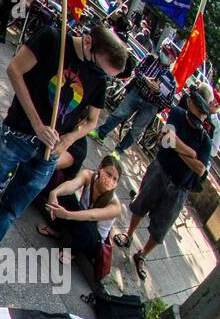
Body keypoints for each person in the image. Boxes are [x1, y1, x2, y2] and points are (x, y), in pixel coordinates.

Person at [0, 24, 125, 291]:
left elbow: (92, 120)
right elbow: (14, 70)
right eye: (100, 67)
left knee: (8, 211)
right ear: (88, 42)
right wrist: (38, 124)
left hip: (47, 155)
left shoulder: (99, 80)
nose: (100, 75)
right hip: (16, 135)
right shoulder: (52, 38)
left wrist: (68, 139)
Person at [114, 83, 214, 283]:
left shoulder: (205, 138)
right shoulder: (177, 114)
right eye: (197, 105)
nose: (200, 113)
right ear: (191, 102)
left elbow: (201, 169)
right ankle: (128, 235)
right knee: (141, 204)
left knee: (161, 227)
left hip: (180, 188)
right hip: (160, 170)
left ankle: (142, 255)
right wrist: (189, 153)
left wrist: (179, 146)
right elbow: (166, 140)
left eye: (204, 110)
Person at [36, 154, 122, 270]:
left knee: (87, 226)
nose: (110, 180)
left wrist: (67, 215)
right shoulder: (88, 175)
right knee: (66, 196)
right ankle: (56, 230)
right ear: (100, 169)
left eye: (114, 179)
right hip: (79, 220)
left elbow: (92, 216)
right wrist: (54, 193)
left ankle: (72, 252)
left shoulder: (115, 205)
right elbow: (72, 185)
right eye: (108, 174)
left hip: (92, 240)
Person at [91, 40, 178, 154]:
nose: (163, 54)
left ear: (172, 60)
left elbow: (167, 103)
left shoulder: (171, 81)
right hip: (137, 92)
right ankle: (101, 133)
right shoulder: (150, 59)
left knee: (135, 130)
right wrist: (145, 80)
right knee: (119, 113)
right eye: (163, 51)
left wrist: (158, 92)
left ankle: (119, 150)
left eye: (167, 54)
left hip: (151, 106)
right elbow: (137, 71)